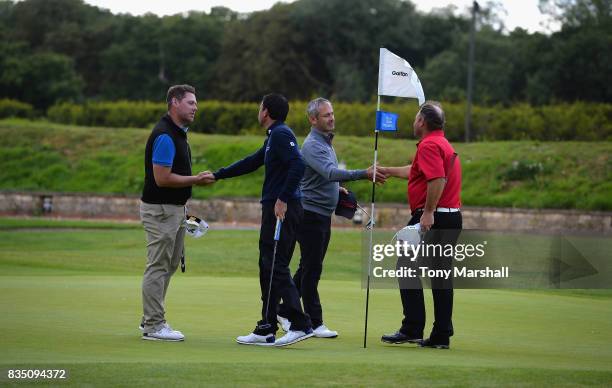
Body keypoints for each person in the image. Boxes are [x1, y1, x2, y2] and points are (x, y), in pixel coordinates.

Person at [203, 94, 312, 347]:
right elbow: (251, 162)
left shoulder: (282, 135)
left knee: (275, 264)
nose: (258, 111)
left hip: (282, 209)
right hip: (276, 209)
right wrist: (218, 175)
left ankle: (300, 323)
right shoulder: (274, 136)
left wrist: (283, 198)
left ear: (266, 112)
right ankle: (266, 327)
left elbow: (299, 165)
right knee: (267, 265)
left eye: (260, 107)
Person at [277, 97, 386, 339]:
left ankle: (284, 309)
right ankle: (314, 322)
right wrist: (364, 174)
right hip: (310, 215)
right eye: (326, 115)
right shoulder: (313, 144)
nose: (332, 118)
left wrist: (338, 191)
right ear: (313, 119)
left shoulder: (325, 142)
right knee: (312, 269)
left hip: (321, 214)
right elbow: (328, 172)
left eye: (332, 113)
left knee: (307, 266)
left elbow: (319, 177)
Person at [379, 101, 462, 349]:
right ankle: (441, 334)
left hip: (433, 216)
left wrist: (427, 212)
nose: (414, 121)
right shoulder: (441, 142)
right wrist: (387, 171)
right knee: (439, 276)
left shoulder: (428, 145)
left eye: (416, 118)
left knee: (406, 266)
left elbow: (437, 179)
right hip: (450, 216)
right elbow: (416, 171)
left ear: (422, 122)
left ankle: (412, 327)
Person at [140, 84, 212, 341]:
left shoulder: (178, 133)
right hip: (160, 211)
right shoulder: (165, 136)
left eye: (195, 102)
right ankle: (153, 326)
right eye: (190, 102)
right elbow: (162, 179)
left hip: (174, 210)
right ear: (174, 103)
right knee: (158, 265)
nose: (196, 107)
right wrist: (196, 180)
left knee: (169, 265)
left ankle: (150, 315)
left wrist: (186, 215)